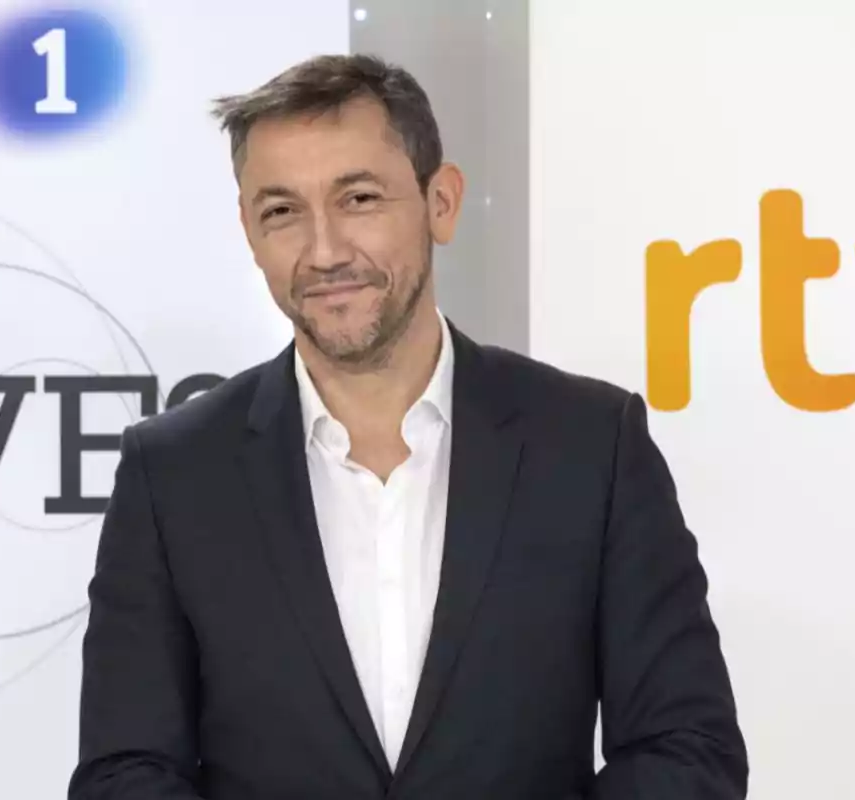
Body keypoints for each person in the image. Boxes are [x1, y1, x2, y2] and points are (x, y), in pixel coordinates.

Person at [67, 54, 748, 800]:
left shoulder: (591, 445)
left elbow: (688, 750)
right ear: (249, 232)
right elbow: (125, 774)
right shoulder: (173, 474)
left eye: (358, 198)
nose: (324, 251)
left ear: (441, 202)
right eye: (282, 211)